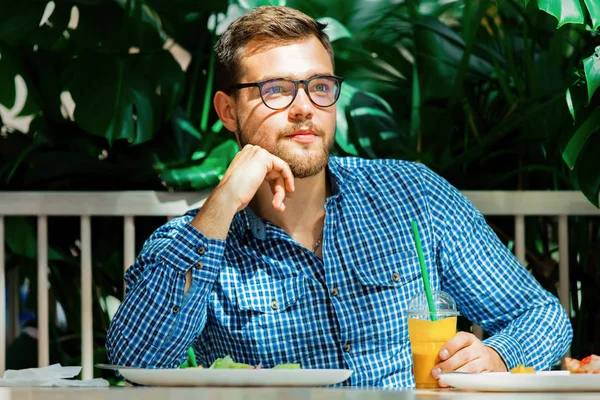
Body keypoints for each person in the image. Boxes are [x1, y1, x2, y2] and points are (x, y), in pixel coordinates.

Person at [106, 6, 572, 387]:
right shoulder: (192, 242)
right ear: (228, 110)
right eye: (276, 90)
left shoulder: (413, 195)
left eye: (320, 87)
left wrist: (495, 355)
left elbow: (541, 315)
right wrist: (223, 204)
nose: (305, 106)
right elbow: (139, 363)